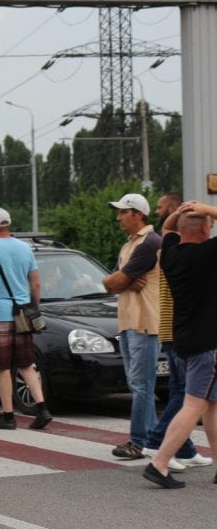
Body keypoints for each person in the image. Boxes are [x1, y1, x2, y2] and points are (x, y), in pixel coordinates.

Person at [141, 201, 217, 489]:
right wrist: (206, 208)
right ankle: (159, 463)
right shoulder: (208, 253)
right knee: (194, 404)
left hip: (183, 337)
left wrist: (182, 212)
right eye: (209, 223)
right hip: (206, 341)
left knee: (212, 404)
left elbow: (168, 227)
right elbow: (173, 226)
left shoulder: (171, 253)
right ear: (204, 228)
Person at [0, 208, 53, 430]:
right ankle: (42, 408)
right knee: (26, 364)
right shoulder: (25, 249)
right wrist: (34, 305)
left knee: (2, 367)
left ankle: (8, 416)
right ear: (8, 225)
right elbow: (36, 283)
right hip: (23, 314)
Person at [102, 193, 162, 460]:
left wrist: (121, 280)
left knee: (141, 384)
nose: (118, 217)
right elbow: (111, 281)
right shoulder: (129, 245)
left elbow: (115, 281)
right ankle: (151, 438)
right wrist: (124, 281)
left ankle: (139, 441)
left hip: (144, 323)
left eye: (123, 212)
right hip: (128, 321)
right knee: (137, 383)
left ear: (138, 214)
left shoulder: (149, 243)